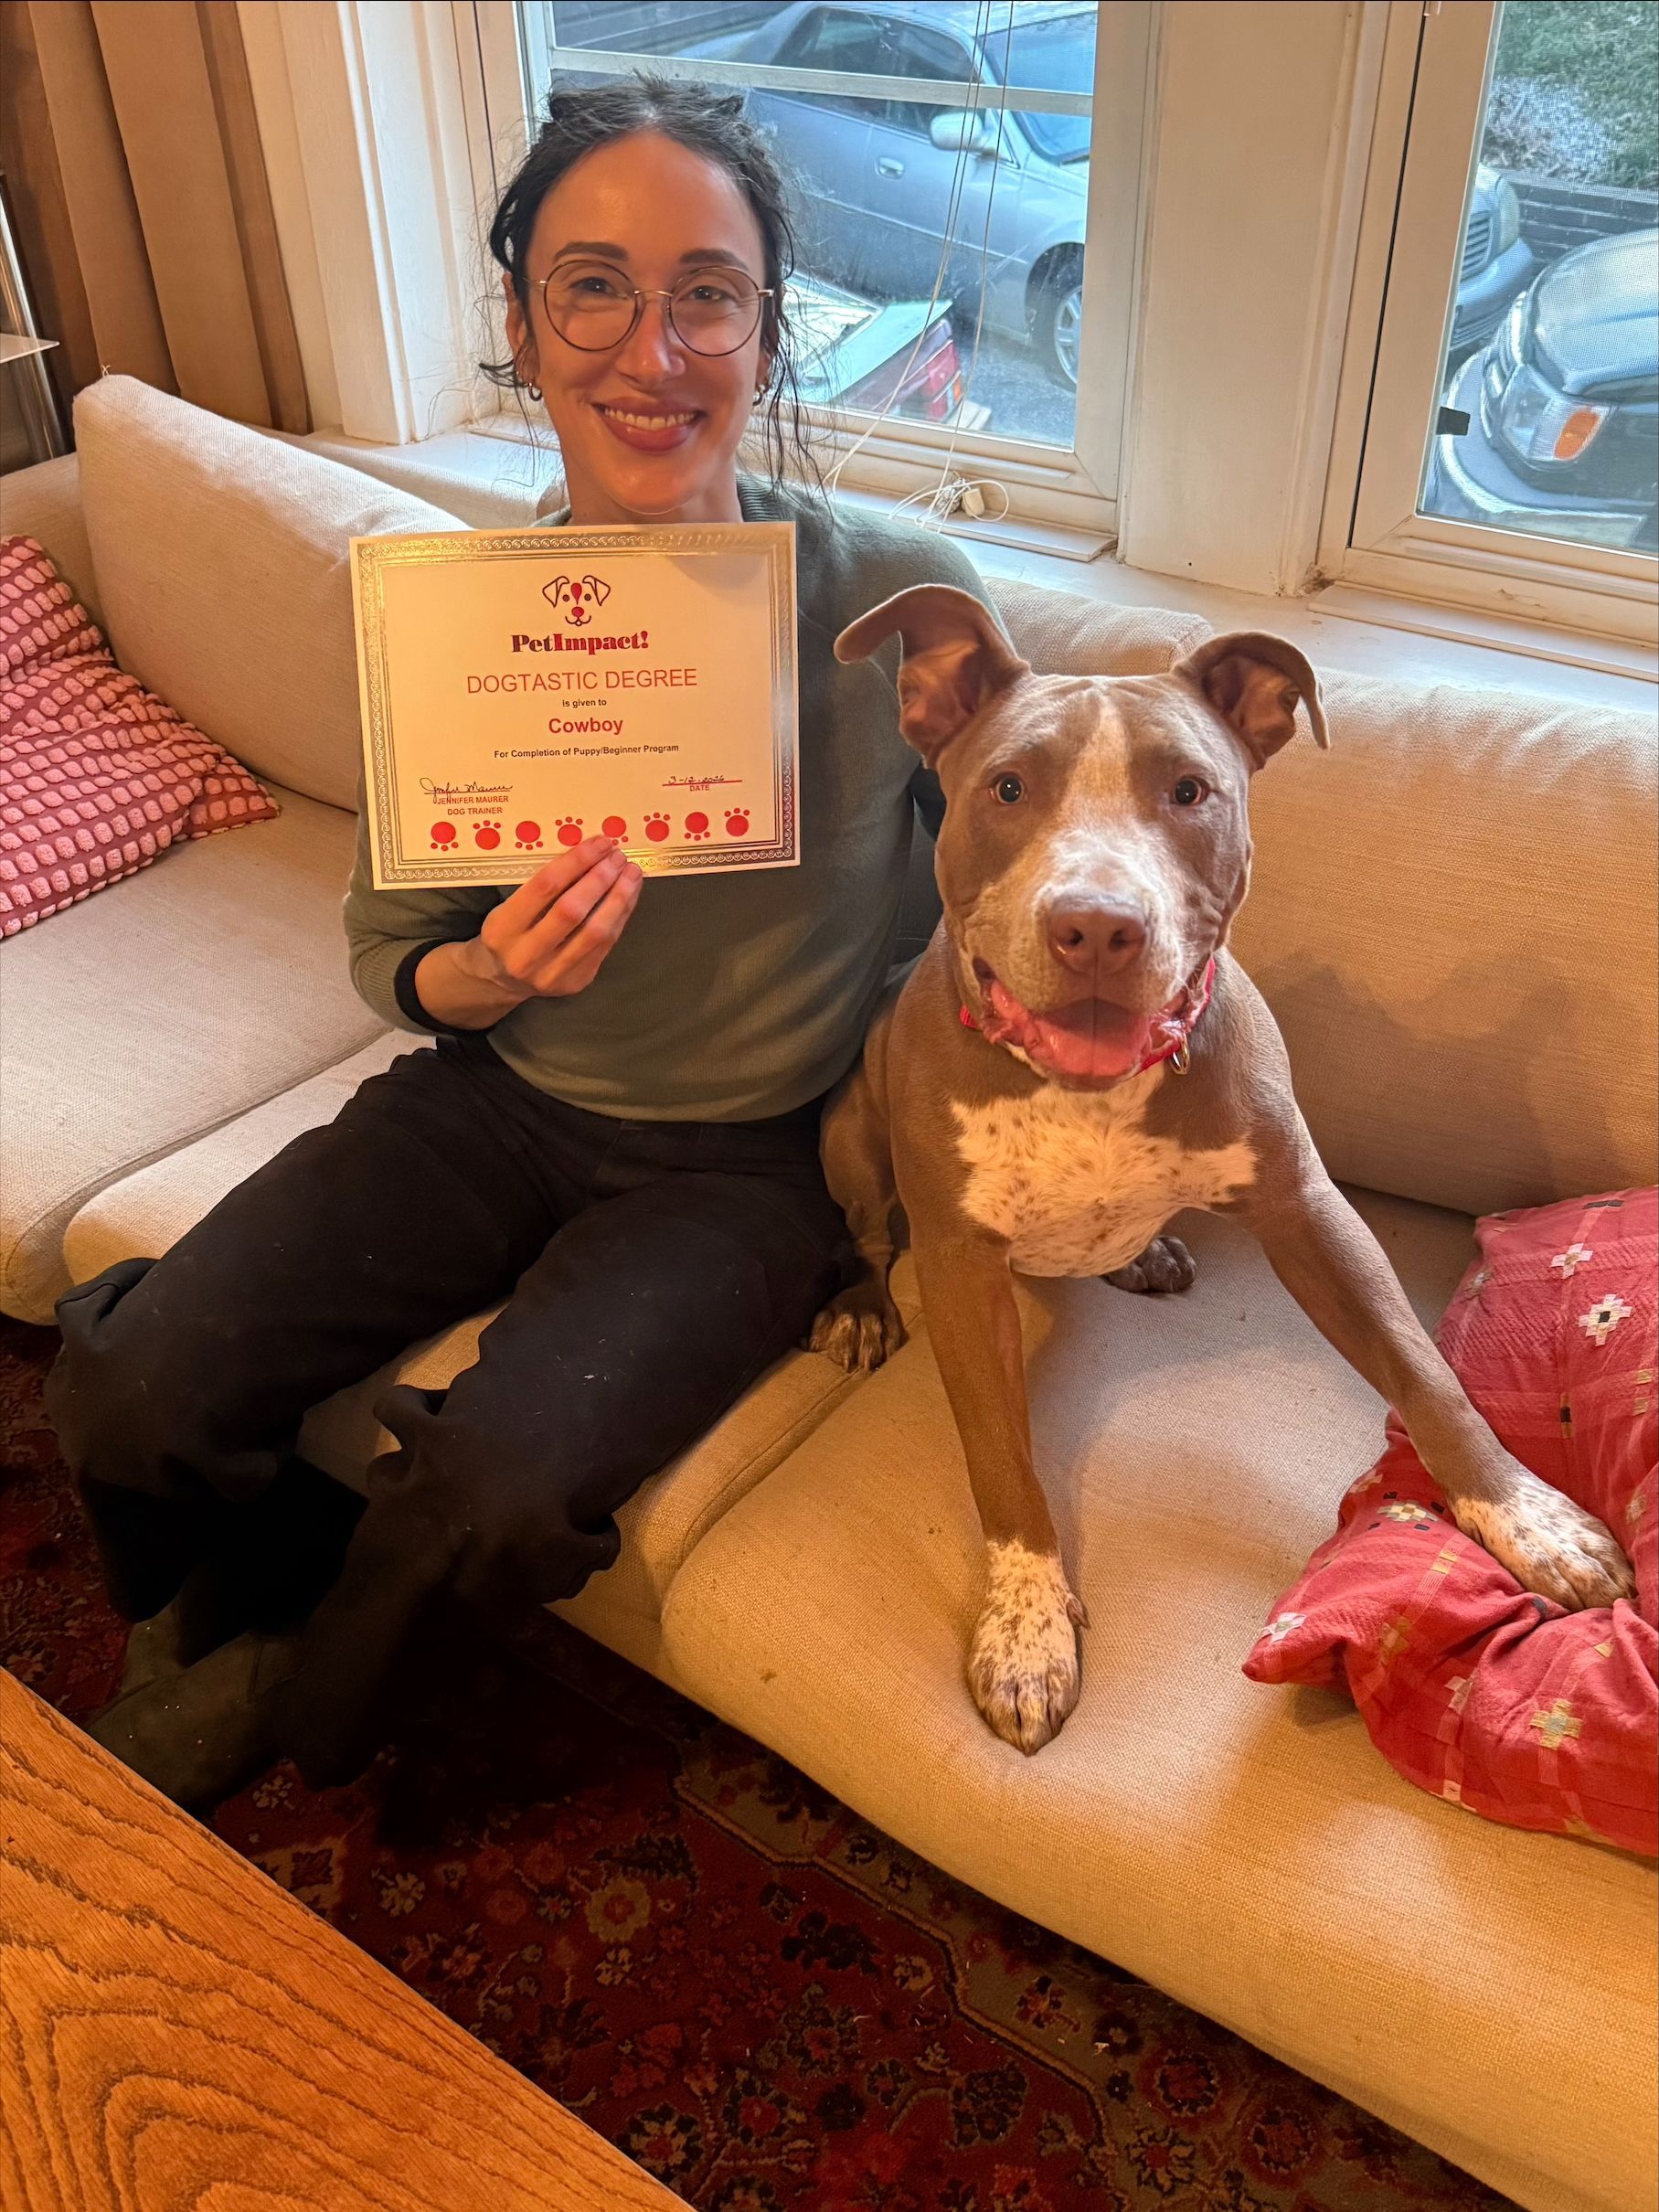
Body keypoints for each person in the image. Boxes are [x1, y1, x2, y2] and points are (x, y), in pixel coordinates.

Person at [45, 75, 1000, 1811]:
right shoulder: (465, 624)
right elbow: (389, 950)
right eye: (595, 287)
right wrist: (489, 973)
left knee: (494, 1493)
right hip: (498, 1095)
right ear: (523, 324)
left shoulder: (897, 612)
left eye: (707, 291)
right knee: (138, 1385)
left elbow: (992, 903)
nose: (656, 348)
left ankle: (293, 1688)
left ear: (767, 334)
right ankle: (224, 1590)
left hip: (754, 1166)